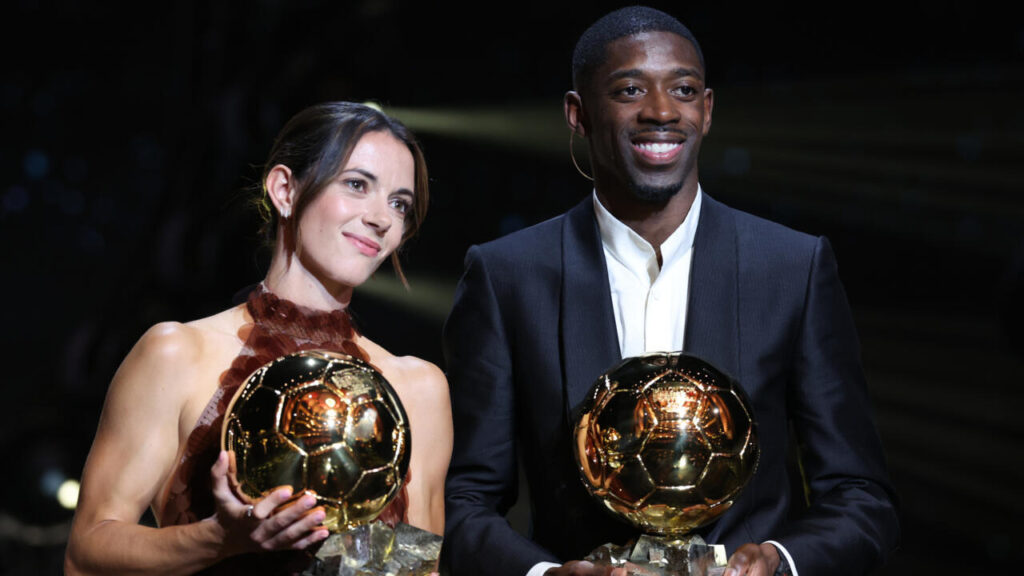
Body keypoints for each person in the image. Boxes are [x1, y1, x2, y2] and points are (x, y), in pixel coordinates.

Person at [442, 6, 899, 576]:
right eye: (629, 90)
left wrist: (780, 561)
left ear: (706, 111)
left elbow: (861, 497)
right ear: (578, 114)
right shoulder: (507, 275)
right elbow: (465, 503)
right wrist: (546, 575)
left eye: (683, 90)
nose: (661, 111)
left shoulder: (792, 267)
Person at [64, 102, 452, 576]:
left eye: (399, 203)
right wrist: (218, 539)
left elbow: (421, 569)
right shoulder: (177, 354)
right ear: (285, 189)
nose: (382, 218)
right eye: (357, 185)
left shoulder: (419, 389)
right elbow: (85, 554)